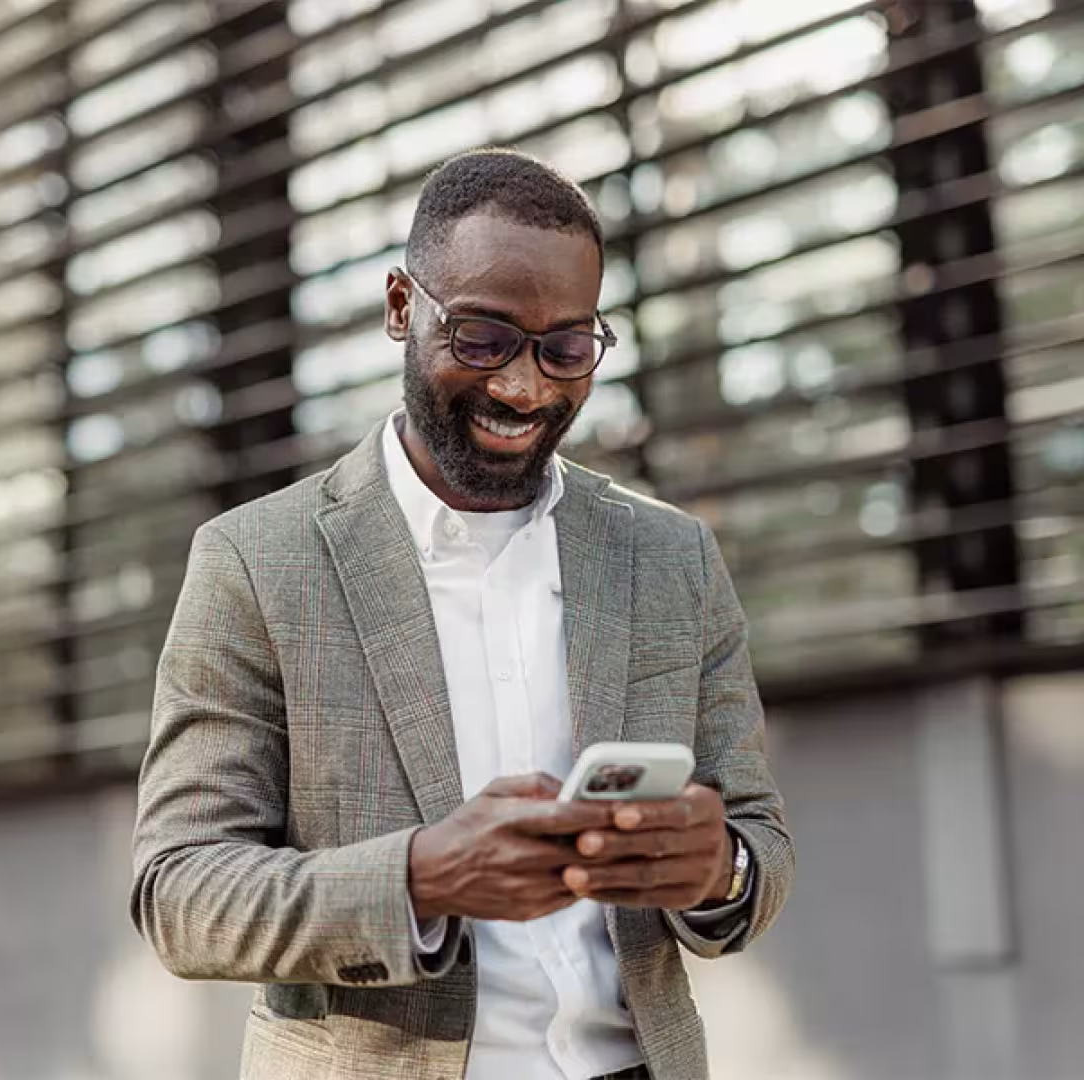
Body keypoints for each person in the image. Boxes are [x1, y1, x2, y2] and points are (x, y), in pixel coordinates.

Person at [130, 148, 792, 1080]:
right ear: (403, 306)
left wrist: (718, 869)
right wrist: (421, 878)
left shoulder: (669, 557)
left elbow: (758, 836)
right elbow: (180, 892)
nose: (525, 387)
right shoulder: (256, 560)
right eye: (483, 339)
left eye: (567, 349)